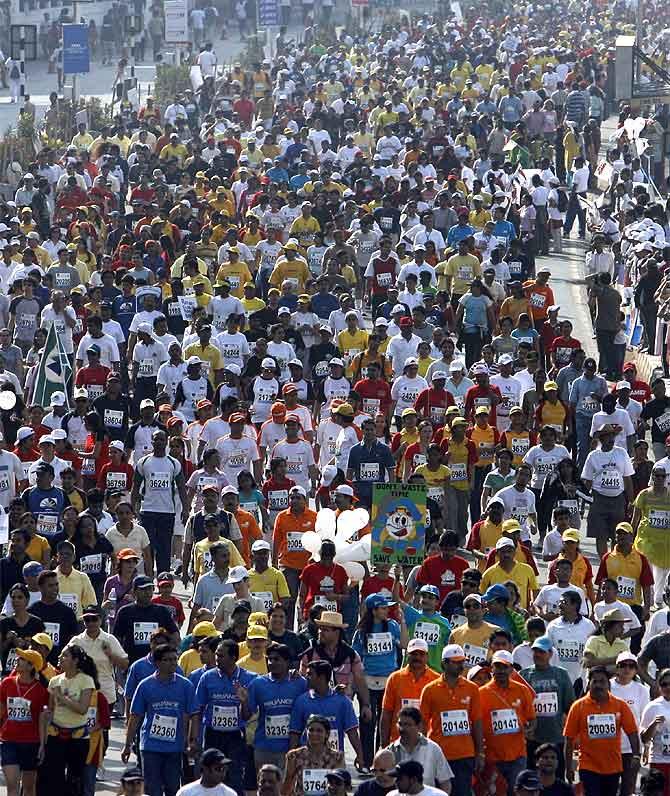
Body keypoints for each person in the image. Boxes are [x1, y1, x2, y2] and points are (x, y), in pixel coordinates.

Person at [122, 643, 198, 796]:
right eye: (167, 660)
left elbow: (194, 714)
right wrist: (127, 744)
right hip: (150, 747)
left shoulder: (186, 686)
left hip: (174, 748)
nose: (172, 663)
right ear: (157, 663)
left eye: (174, 659)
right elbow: (135, 717)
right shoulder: (145, 686)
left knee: (173, 788)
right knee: (152, 790)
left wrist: (192, 741)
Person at [563, 666, 640, 796]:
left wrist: (636, 755)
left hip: (613, 766)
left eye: (602, 681)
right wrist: (569, 766)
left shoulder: (620, 705)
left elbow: (632, 732)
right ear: (589, 684)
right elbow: (569, 738)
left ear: (608, 684)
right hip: (588, 766)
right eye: (595, 681)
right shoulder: (578, 706)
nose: (598, 685)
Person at [419, 643, 483, 795]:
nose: (460, 665)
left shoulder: (472, 689)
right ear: (444, 663)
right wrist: (421, 751)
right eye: (455, 662)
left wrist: (480, 752)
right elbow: (422, 723)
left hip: (464, 754)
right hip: (438, 753)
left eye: (461, 661)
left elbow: (477, 722)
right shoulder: (430, 690)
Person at [478, 649, 536, 795]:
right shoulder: (481, 693)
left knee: (516, 792)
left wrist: (530, 730)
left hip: (517, 755)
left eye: (505, 667)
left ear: (511, 669)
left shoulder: (522, 690)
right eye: (497, 666)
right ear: (492, 668)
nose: (501, 670)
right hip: (491, 756)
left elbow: (532, 719)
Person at [42, 644, 98, 795]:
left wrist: (62, 697)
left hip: (78, 737)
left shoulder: (86, 680)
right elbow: (50, 709)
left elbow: (82, 709)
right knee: (54, 779)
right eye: (61, 655)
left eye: (65, 656)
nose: (60, 658)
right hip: (55, 734)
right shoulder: (54, 681)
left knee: (75, 779)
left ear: (75, 660)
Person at [0, 647, 49, 796]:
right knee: (12, 786)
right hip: (8, 740)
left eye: (22, 659)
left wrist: (42, 745)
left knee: (28, 788)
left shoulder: (41, 691)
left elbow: (43, 720)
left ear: (31, 666)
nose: (17, 660)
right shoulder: (6, 683)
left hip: (30, 743)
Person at [282, 714, 345, 796]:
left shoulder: (337, 757)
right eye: (311, 730)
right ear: (306, 732)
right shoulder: (294, 756)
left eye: (319, 731)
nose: (314, 733)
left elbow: (341, 789)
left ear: (327, 734)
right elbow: (285, 789)